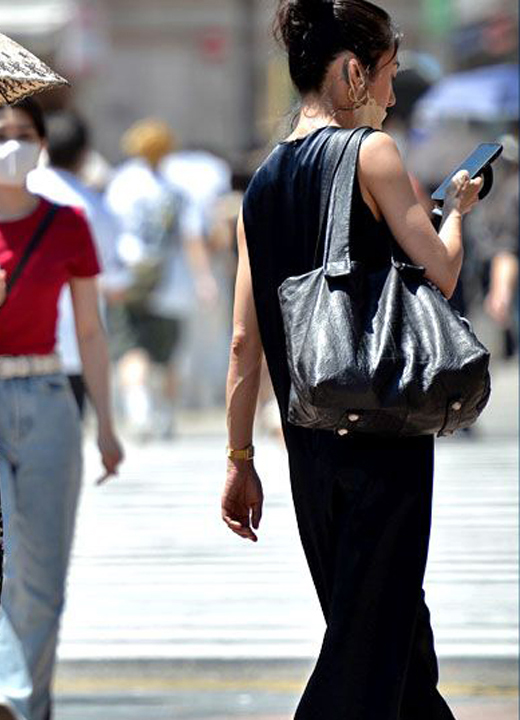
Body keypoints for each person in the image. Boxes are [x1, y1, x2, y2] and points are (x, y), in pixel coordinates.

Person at [223, 1, 484, 718]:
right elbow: (442, 273)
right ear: (352, 73)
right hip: (384, 435)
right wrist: (458, 210)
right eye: (390, 76)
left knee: (395, 636)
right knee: (366, 655)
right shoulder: (373, 154)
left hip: (308, 445)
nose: (393, 97)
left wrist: (239, 457)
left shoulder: (263, 183)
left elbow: (244, 340)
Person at [0, 97, 124, 720]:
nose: (13, 144)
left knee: (44, 573)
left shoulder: (67, 224)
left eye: (25, 134)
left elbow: (90, 331)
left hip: (48, 396)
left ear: (42, 144)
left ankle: (25, 704)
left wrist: (109, 428)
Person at [105, 119, 218, 438]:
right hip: (172, 285)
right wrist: (204, 278)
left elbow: (108, 230)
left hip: (129, 279)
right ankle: (166, 414)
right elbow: (192, 238)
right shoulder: (178, 190)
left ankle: (139, 410)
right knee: (167, 355)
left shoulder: (122, 183)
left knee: (130, 348)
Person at [26, 110, 127, 416]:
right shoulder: (95, 208)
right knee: (64, 452)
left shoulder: (19, 193)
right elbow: (114, 282)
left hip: (18, 344)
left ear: (42, 146)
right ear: (85, 155)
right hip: (74, 345)